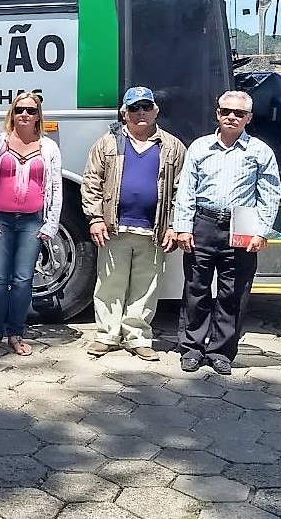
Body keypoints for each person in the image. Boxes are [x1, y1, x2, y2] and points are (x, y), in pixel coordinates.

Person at [173, 91, 281, 375]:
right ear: (217, 114)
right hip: (204, 223)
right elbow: (186, 190)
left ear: (249, 118)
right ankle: (192, 349)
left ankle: (221, 351)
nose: (232, 117)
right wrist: (183, 227)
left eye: (239, 113)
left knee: (233, 292)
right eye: (226, 111)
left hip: (242, 226)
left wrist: (262, 232)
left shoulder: (260, 152)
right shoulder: (200, 147)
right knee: (196, 289)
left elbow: (269, 194)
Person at [81, 87, 187, 361]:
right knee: (109, 284)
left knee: (147, 286)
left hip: (154, 231)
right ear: (124, 113)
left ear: (156, 111)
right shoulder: (107, 143)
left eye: (145, 107)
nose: (140, 113)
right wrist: (95, 218)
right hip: (114, 227)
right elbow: (91, 181)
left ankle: (138, 338)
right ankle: (106, 335)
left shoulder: (172, 146)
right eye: (134, 108)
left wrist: (173, 225)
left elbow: (181, 191)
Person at [0, 93, 62, 356]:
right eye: (20, 109)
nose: (25, 114)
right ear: (12, 113)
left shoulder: (48, 147)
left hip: (32, 221)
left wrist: (51, 223)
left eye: (31, 111)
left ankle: (15, 333)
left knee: (23, 280)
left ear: (38, 116)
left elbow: (56, 187)